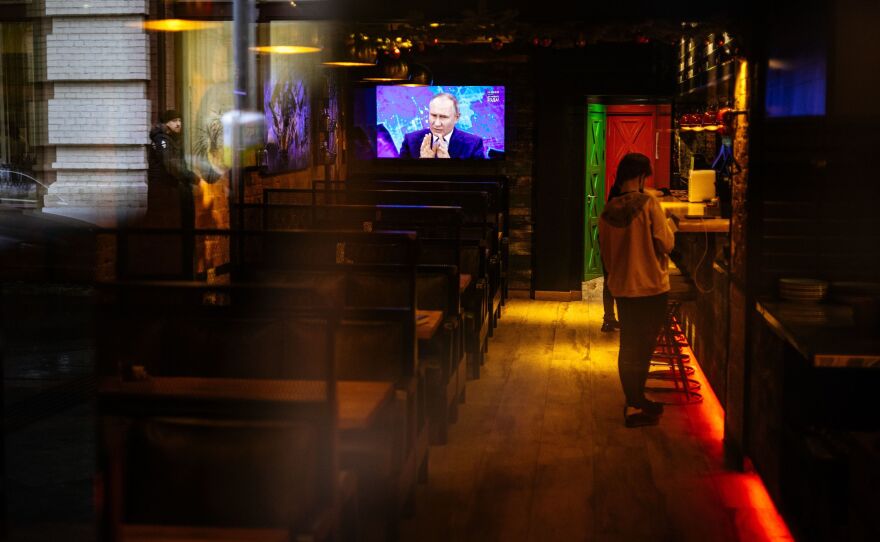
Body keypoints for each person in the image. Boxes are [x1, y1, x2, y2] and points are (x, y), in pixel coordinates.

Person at [598, 153, 679, 427]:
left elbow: (607, 260)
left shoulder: (607, 212)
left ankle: (634, 401)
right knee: (644, 348)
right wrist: (672, 224)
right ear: (641, 176)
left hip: (623, 288)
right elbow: (665, 244)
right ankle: (635, 402)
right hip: (651, 287)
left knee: (629, 345)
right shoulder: (649, 204)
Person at [146, 109, 202, 278]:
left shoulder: (171, 140)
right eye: (174, 120)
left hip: (173, 192)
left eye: (180, 120)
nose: (179, 123)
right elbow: (171, 166)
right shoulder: (161, 140)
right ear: (166, 123)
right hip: (166, 193)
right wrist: (190, 176)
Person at [398, 93, 485, 159]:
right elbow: (400, 177)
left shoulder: (473, 144)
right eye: (433, 115)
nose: (437, 123)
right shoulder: (410, 141)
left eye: (443, 117)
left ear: (456, 118)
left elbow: (478, 180)